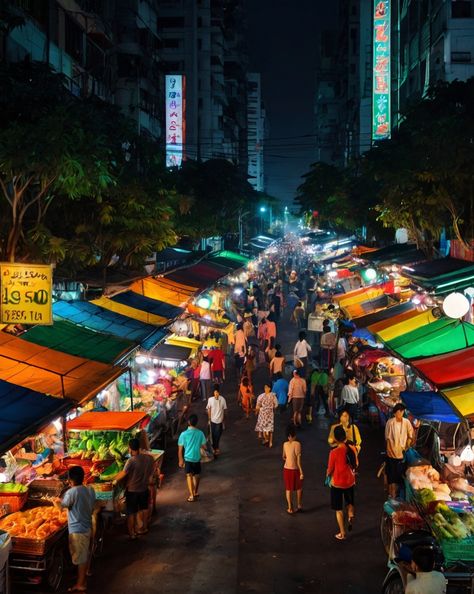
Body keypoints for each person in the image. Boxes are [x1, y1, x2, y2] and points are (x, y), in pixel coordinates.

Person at [56, 465, 95, 592]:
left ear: (70, 480)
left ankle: (80, 584)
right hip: (87, 526)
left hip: (77, 530)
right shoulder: (89, 490)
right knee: (84, 553)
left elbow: (62, 506)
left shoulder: (71, 492)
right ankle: (85, 574)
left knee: (81, 557)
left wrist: (55, 502)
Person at [112, 438, 154, 539]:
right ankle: (143, 528)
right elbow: (151, 469)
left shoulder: (131, 461)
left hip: (132, 491)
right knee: (144, 509)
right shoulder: (148, 458)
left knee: (131, 513)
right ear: (139, 447)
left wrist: (114, 480)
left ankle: (132, 533)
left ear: (130, 449)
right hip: (144, 488)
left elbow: (123, 473)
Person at [326, 425, 357, 541]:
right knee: (350, 502)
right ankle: (350, 515)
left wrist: (327, 476)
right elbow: (356, 464)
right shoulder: (352, 448)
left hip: (337, 483)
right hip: (350, 481)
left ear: (335, 438)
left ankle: (342, 533)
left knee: (338, 509)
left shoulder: (334, 452)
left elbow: (330, 469)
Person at [385, 403, 414, 498]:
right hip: (392, 453)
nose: (401, 413)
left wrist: (407, 445)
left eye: (402, 411)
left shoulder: (406, 422)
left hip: (403, 454)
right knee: (392, 476)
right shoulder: (390, 422)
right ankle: (392, 495)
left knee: (401, 476)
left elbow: (410, 435)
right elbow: (388, 439)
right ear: (394, 413)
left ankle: (400, 495)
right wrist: (389, 451)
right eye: (399, 411)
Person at [178, 414, 208, 502]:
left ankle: (191, 495)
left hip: (188, 458)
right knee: (197, 475)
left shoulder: (183, 434)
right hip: (197, 458)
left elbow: (180, 449)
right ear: (196, 423)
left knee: (189, 475)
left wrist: (180, 460)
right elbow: (205, 446)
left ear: (188, 422)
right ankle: (195, 492)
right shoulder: (200, 433)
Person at [282, 424, 304, 514]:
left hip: (286, 469)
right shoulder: (297, 444)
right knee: (299, 488)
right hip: (295, 469)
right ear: (294, 435)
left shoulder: (285, 444)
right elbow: (298, 461)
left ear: (287, 436)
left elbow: (283, 456)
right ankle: (299, 505)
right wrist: (301, 472)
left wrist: (287, 458)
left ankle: (290, 508)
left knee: (288, 489)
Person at [255, 383, 279, 447]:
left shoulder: (271, 396)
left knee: (269, 429)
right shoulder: (263, 396)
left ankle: (269, 441)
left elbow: (276, 405)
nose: (265, 389)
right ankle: (267, 440)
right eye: (265, 387)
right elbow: (276, 405)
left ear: (270, 388)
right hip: (264, 414)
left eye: (267, 387)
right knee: (266, 428)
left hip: (267, 414)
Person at [206, 385, 228, 456]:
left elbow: (225, 410)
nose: (216, 394)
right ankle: (215, 448)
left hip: (219, 421)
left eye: (217, 392)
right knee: (213, 435)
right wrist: (209, 419)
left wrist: (224, 420)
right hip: (212, 420)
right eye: (215, 392)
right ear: (213, 393)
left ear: (219, 392)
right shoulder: (210, 400)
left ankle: (216, 447)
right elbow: (209, 409)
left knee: (217, 435)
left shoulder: (223, 399)